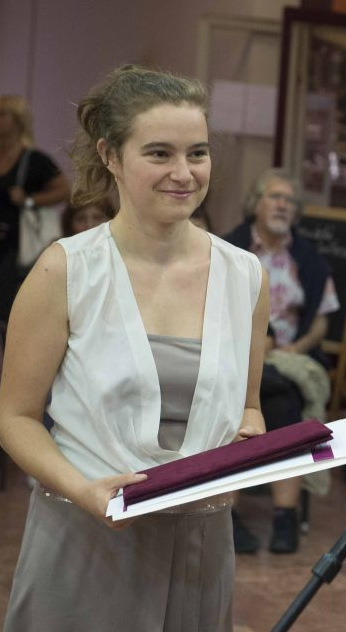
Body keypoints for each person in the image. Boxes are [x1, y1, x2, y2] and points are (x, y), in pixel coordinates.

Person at [0, 65, 269, 631]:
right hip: (87, 537)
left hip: (200, 544)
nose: (184, 173)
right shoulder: (66, 269)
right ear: (111, 156)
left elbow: (249, 405)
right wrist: (84, 491)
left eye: (197, 153)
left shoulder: (244, 274)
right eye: (159, 153)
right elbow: (16, 417)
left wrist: (250, 435)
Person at [224, 168, 337, 553]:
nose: (282, 205)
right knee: (252, 395)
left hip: (291, 358)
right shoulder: (229, 248)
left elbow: (321, 318)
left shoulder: (308, 258)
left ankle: (275, 515)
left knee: (285, 394)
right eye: (274, 197)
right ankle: (254, 513)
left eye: (289, 200)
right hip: (239, 356)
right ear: (256, 204)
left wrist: (298, 348)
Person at [0, 95, 70, 321]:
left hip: (16, 245)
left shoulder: (34, 160)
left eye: (2, 114)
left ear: (17, 120)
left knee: (7, 307)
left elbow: (64, 190)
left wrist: (30, 200)